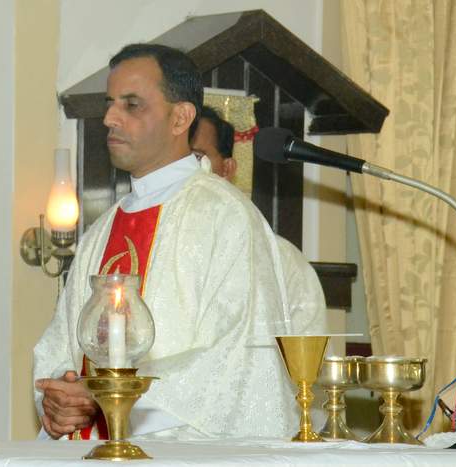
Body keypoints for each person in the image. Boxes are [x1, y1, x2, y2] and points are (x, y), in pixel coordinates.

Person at [34, 43, 311, 441]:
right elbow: (60, 344)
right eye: (110, 104)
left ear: (180, 117)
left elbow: (240, 357)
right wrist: (59, 400)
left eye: (131, 105)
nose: (110, 118)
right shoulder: (103, 230)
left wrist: (108, 395)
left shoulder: (224, 216)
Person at [192, 106, 327, 331]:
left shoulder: (280, 259)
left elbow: (307, 345)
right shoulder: (149, 241)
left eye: (196, 157)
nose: (183, 169)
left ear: (227, 169)